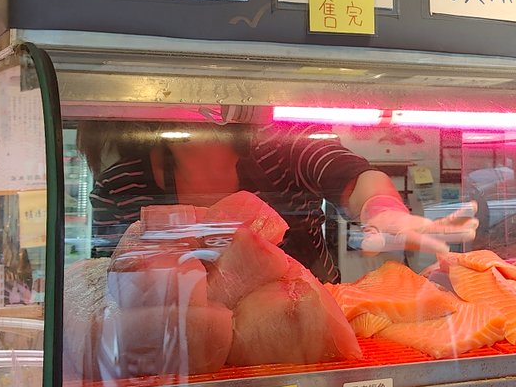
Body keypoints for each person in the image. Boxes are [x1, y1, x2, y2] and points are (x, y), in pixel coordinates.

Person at [87, 118, 477, 283]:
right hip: (188, 362)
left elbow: (346, 173)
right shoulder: (123, 186)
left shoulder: (282, 146)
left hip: (310, 343)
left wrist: (384, 209)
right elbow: (110, 290)